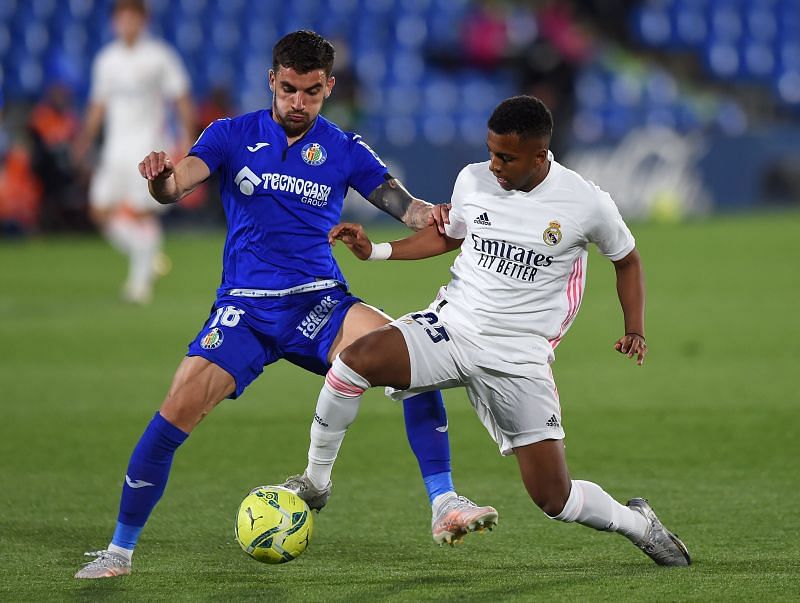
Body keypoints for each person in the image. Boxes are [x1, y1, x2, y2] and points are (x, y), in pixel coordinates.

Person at [74, 30, 496, 580]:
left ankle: (445, 503)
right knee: (176, 410)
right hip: (245, 308)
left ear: (329, 88)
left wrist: (442, 214)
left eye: (312, 92)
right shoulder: (228, 134)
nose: (299, 103)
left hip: (319, 300)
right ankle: (119, 552)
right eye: (290, 89)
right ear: (272, 80)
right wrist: (159, 180)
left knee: (410, 358)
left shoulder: (344, 149)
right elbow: (177, 186)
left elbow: (408, 209)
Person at [296, 95, 692, 566]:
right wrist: (377, 252)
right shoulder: (473, 179)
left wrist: (635, 328)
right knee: (352, 364)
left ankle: (639, 524)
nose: (495, 164)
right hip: (454, 325)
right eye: (491, 151)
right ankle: (316, 482)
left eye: (506, 157)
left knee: (555, 499)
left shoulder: (586, 202)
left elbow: (626, 260)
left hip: (518, 355)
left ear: (540, 155)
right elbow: (450, 235)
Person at [72, 0, 195, 304]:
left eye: (132, 18)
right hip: (115, 149)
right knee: (100, 210)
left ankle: (139, 284)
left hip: (147, 147)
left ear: (143, 21)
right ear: (114, 22)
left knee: (141, 213)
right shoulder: (106, 60)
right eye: (121, 18)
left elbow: (180, 97)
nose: (126, 24)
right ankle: (148, 256)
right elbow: (98, 105)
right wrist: (84, 139)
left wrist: (189, 138)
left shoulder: (159, 56)